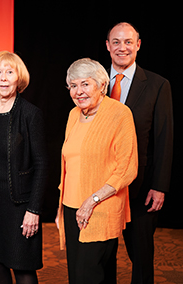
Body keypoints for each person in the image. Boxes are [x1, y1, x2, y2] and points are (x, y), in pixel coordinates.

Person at [55, 58, 138, 284]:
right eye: (73, 86)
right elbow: (69, 163)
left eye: (85, 84)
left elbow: (127, 168)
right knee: (80, 274)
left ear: (102, 85)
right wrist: (61, 207)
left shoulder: (119, 114)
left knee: (88, 276)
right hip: (72, 207)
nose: (78, 91)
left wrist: (91, 201)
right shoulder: (74, 114)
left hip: (99, 208)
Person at [106, 22, 174, 284]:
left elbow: (164, 139)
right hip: (103, 185)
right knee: (104, 254)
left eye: (128, 42)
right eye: (116, 42)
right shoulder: (94, 82)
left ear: (138, 45)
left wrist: (159, 186)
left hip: (142, 187)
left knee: (141, 256)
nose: (122, 47)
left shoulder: (158, 85)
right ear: (108, 46)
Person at [0, 51, 48, 284]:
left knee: (23, 268)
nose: (4, 78)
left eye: (9, 72)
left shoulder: (30, 114)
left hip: (21, 205)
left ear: (19, 79)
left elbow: (42, 164)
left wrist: (34, 209)